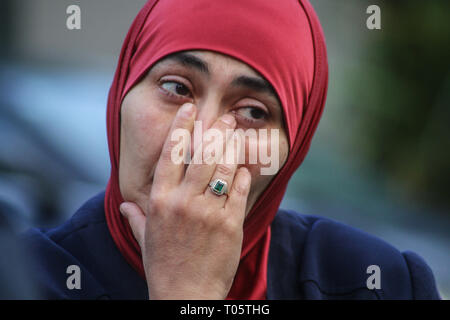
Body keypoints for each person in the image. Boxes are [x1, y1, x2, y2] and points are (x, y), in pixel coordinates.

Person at [21, 0, 440, 299]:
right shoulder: (23, 277)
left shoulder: (377, 282)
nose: (202, 140)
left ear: (290, 152)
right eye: (175, 87)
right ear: (122, 97)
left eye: (253, 112)